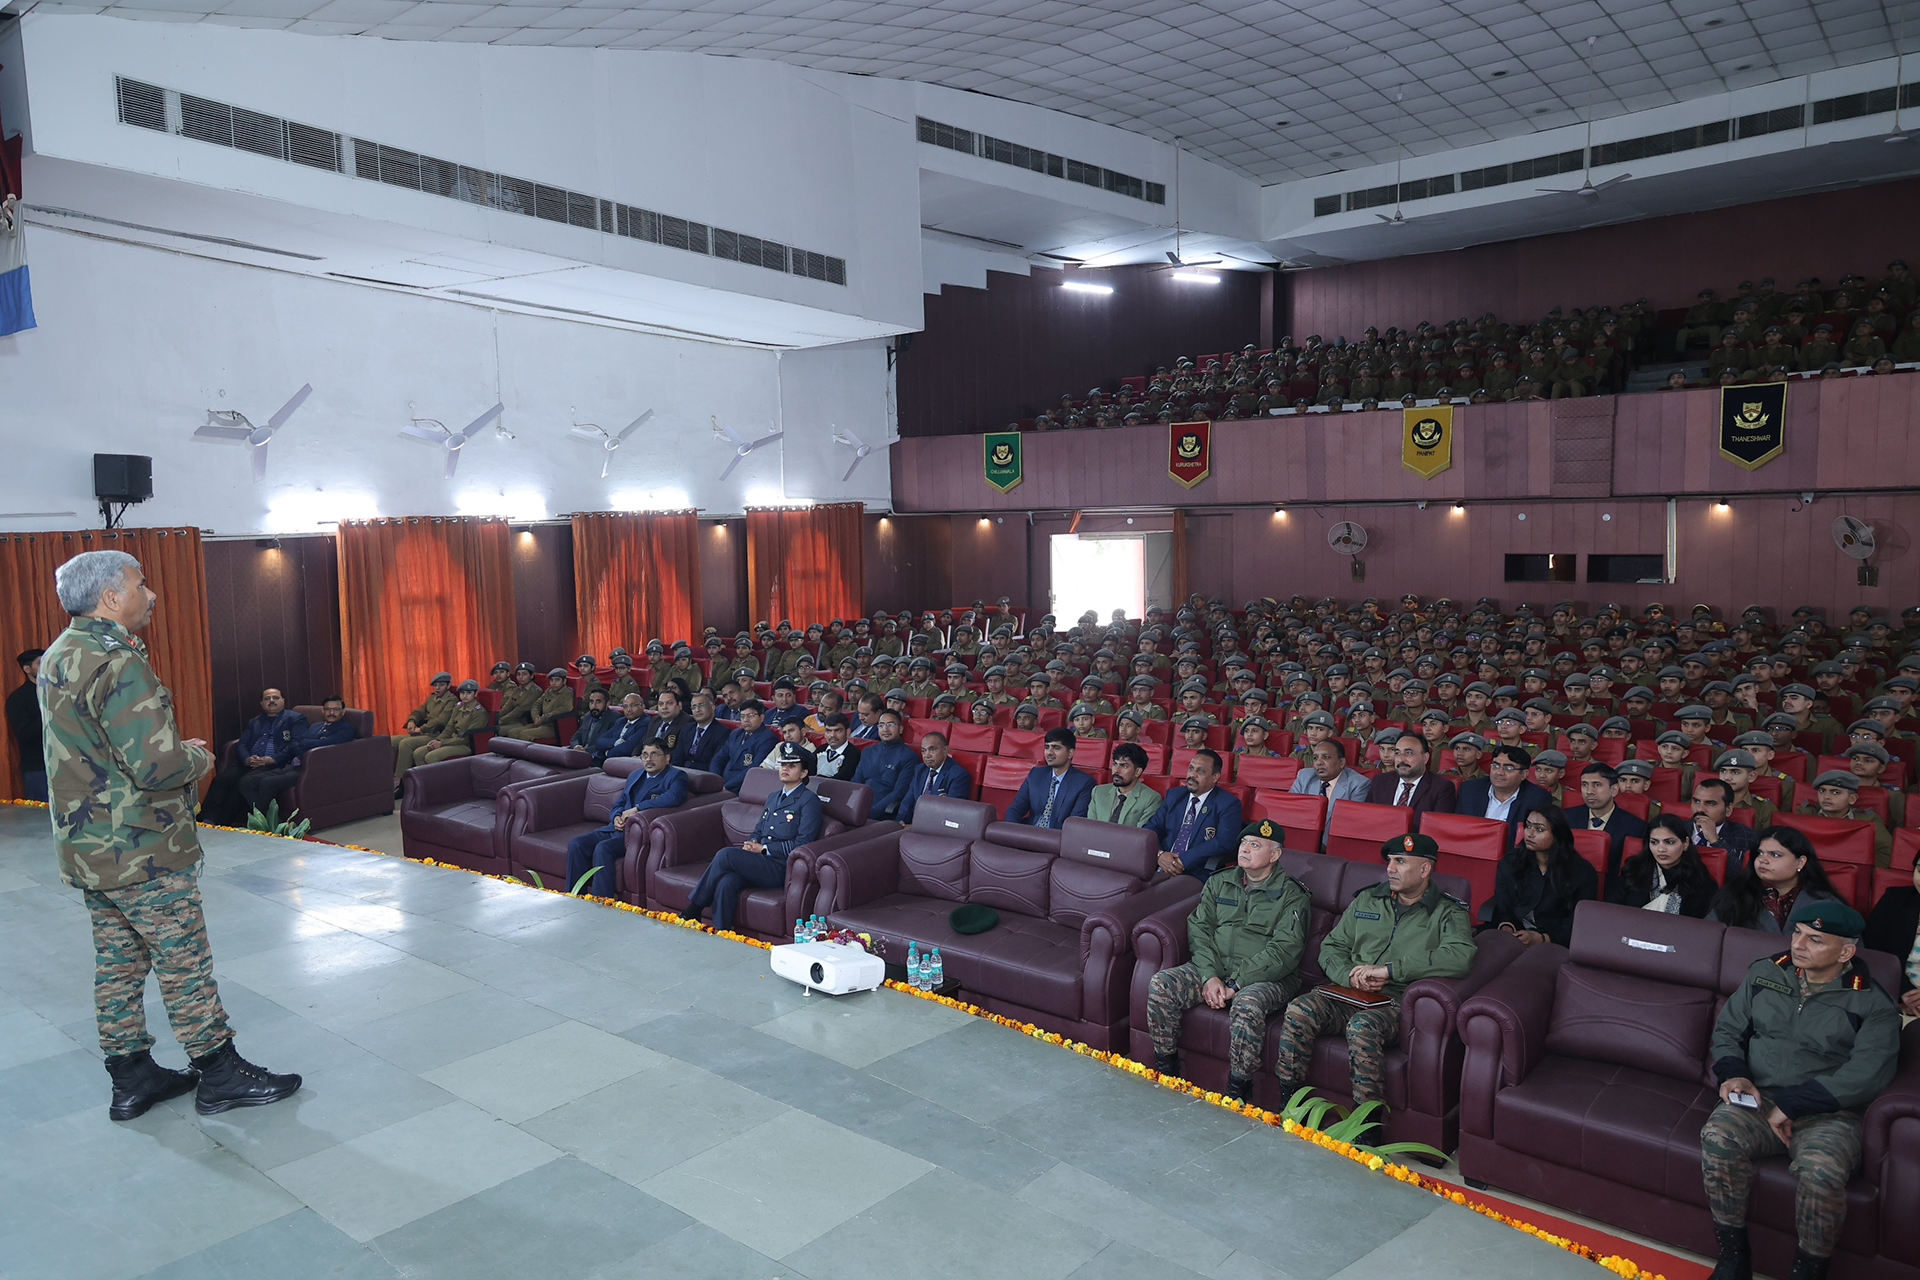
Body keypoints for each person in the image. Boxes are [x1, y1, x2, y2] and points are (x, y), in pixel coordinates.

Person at [39, 549, 299, 1120]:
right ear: (110, 597)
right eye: (140, 583)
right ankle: (219, 1072)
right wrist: (198, 756)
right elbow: (155, 767)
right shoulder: (118, 661)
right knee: (183, 959)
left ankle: (131, 1076)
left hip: (89, 848)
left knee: (118, 962)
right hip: (140, 848)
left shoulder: (60, 653)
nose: (150, 595)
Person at [1700, 900, 1900, 1280]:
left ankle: (1808, 1270)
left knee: (1819, 1171)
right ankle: (1732, 1256)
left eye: (1815, 939)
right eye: (1797, 933)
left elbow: (1869, 1073)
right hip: (1760, 1097)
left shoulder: (1871, 1001)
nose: (1798, 944)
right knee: (1718, 1136)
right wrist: (1734, 1074)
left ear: (1845, 952)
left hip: (1830, 1113)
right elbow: (1728, 1031)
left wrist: (1793, 1103)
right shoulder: (1765, 973)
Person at [1272, 833, 1473, 1105]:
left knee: (1362, 1026)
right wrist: (1350, 976)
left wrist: (1390, 971)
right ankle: (1289, 1103)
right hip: (1347, 993)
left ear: (1425, 869)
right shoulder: (1369, 899)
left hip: (1394, 1003)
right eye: (1389, 861)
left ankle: (1365, 1124)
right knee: (1299, 1009)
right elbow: (1332, 946)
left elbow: (1460, 956)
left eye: (1400, 862)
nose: (1390, 868)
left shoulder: (1447, 911)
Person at [1148, 818, 1311, 1100]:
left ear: (1275, 855)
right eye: (1243, 843)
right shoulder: (1220, 881)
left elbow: (1285, 951)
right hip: (1217, 969)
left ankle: (1238, 1088)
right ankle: (1166, 1070)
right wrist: (1210, 976)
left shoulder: (1292, 896)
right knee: (1162, 984)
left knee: (1248, 1004)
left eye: (1255, 845)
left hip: (1267, 977)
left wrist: (1236, 984)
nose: (1245, 849)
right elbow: (1199, 929)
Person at [680, 741, 821, 930]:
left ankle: (694, 907)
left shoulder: (808, 800)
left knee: (725, 854)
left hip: (780, 867)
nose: (785, 769)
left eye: (792, 766)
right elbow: (760, 828)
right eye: (783, 765)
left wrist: (763, 849)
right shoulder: (773, 796)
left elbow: (804, 842)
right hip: (760, 862)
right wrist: (753, 840)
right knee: (726, 881)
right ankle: (723, 933)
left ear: (804, 773)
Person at [564, 739, 687, 898]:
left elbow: (674, 797)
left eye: (654, 754)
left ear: (667, 758)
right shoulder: (635, 775)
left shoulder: (676, 776)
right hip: (616, 828)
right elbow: (621, 801)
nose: (648, 759)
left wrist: (637, 809)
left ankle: (601, 901)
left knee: (603, 848)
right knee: (576, 844)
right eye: (644, 755)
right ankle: (574, 897)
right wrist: (615, 816)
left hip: (637, 835)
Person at [1484, 805, 1599, 947]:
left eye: (1539, 829)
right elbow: (1503, 904)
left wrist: (1542, 939)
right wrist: (1507, 927)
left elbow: (1580, 923)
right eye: (1528, 826)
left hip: (1555, 943)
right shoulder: (1510, 862)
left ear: (1558, 835)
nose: (1530, 834)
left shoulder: (1582, 872)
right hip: (1516, 936)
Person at [236, 696, 359, 818]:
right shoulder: (316, 726)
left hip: (311, 770)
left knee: (267, 783)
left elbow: (324, 743)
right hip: (293, 765)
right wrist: (311, 742)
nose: (331, 713)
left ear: (343, 711)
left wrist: (307, 742)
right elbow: (295, 743)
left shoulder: (345, 729)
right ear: (323, 711)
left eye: (336, 709)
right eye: (328, 709)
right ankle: (266, 820)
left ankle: (270, 824)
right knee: (246, 782)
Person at [198, 688, 306, 826]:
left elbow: (295, 744)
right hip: (251, 763)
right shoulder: (255, 721)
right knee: (221, 780)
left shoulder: (295, 719)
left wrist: (273, 759)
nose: (271, 701)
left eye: (275, 698)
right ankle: (207, 820)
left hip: (275, 763)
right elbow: (242, 743)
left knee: (241, 784)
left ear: (283, 700)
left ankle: (224, 823)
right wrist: (247, 759)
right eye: (267, 699)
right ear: (261, 703)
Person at [1710, 826, 1845, 933]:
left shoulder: (1828, 905)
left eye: (1775, 855)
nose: (1762, 860)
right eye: (1760, 853)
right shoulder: (1734, 895)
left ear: (1800, 862)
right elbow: (1710, 939)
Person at [1146, 749, 1243, 878]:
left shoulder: (1228, 803)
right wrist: (1159, 854)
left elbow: (1224, 841)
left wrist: (1183, 860)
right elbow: (1151, 829)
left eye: (1200, 771)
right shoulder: (1174, 796)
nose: (1192, 774)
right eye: (1191, 768)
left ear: (1215, 777)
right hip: (1159, 865)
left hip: (1194, 872)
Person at [1608, 813, 1717, 917]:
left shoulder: (1701, 882)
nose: (1661, 849)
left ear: (1686, 843)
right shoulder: (1633, 870)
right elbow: (1611, 910)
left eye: (1669, 842)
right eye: (1654, 842)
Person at [1564, 762, 1648, 885]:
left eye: (1597, 785)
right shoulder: (1565, 818)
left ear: (1614, 790)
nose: (1589, 791)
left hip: (1608, 890)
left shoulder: (1635, 827)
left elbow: (1629, 874)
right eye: (1584, 785)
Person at [1455, 744, 1553, 848]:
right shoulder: (1470, 789)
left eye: (1508, 768)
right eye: (1495, 766)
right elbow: (1458, 828)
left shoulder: (1537, 798)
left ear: (1524, 774)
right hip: (1470, 850)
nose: (1499, 772)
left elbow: (1533, 839)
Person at [1863, 840, 1920, 1017]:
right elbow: (1871, 949)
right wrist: (1905, 992)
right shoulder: (1895, 899)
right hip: (1893, 994)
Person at [1005, 727, 1094, 829]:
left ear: (1070, 753)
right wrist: (1011, 832)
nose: (1049, 752)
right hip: (1029, 833)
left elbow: (1074, 826)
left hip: (1057, 839)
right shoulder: (1036, 774)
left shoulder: (1084, 783)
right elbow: (1015, 809)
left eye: (1056, 748)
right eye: (1047, 747)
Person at [1363, 731, 1458, 815]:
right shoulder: (1380, 781)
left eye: (1408, 753)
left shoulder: (1441, 788)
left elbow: (1436, 828)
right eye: (1397, 753)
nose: (1401, 759)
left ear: (1425, 757)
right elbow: (1368, 817)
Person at [1288, 738, 1371, 829]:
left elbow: (1350, 823)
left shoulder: (1358, 784)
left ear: (1342, 762)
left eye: (1326, 757)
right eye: (1315, 758)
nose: (1319, 762)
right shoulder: (1304, 777)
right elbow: (1291, 811)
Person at [850, 708, 918, 819]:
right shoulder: (868, 751)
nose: (885, 729)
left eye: (890, 724)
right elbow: (856, 782)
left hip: (881, 813)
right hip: (858, 806)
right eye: (881, 725)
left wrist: (870, 813)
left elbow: (899, 793)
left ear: (900, 729)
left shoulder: (909, 756)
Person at [411, 680, 491, 767]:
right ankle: (424, 780)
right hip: (451, 741)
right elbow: (449, 728)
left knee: (431, 757)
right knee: (418, 753)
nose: (465, 696)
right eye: (462, 693)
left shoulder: (479, 712)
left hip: (465, 744)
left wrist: (442, 743)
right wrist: (437, 740)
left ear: (475, 694)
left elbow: (467, 738)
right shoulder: (458, 707)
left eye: (469, 693)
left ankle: (440, 780)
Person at [897, 731, 972, 824]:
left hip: (935, 828)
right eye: (923, 751)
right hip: (911, 825)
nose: (927, 755)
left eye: (932, 750)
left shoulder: (958, 775)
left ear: (945, 750)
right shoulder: (920, 770)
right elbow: (908, 801)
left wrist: (916, 827)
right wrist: (900, 821)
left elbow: (949, 812)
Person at [1693, 777, 1758, 872]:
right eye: (1696, 801)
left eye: (1710, 803)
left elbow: (1742, 875)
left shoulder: (1748, 837)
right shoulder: (1675, 829)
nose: (1700, 809)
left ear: (1728, 810)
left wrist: (1715, 840)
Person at [1089, 743, 1160, 827]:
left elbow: (1140, 836)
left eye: (1124, 766)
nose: (1116, 770)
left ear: (1138, 772)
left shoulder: (1150, 799)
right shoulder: (1098, 792)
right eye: (1115, 764)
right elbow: (1090, 828)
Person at [8, 646, 46, 801]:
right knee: (41, 817)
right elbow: (24, 734)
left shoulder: (59, 691)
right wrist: (48, 714)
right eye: (40, 663)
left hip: (66, 764)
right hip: (37, 767)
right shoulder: (17, 698)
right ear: (27, 668)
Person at [500, 667, 576, 742]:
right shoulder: (549, 691)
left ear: (564, 681)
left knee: (525, 734)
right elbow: (536, 704)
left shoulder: (567, 692)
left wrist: (543, 718)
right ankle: (513, 754)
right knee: (512, 733)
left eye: (557, 680)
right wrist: (535, 717)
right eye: (551, 680)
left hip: (553, 726)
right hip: (540, 723)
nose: (553, 683)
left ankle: (523, 754)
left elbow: (566, 708)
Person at [719, 699, 775, 792]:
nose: (745, 720)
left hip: (741, 787)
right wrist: (715, 779)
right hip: (722, 784)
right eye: (742, 716)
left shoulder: (768, 739)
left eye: (750, 716)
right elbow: (719, 758)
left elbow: (754, 769)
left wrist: (727, 786)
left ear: (761, 717)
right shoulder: (735, 734)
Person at [594, 693, 654, 765]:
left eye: (633, 705)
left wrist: (607, 753)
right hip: (602, 759)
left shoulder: (646, 723)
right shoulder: (621, 721)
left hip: (619, 762)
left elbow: (627, 748)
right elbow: (599, 741)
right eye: (625, 706)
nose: (628, 709)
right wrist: (616, 742)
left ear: (643, 706)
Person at [811, 712, 860, 782]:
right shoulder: (820, 750)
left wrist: (817, 779)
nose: (832, 735)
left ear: (848, 732)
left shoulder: (854, 754)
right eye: (828, 731)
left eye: (838, 731)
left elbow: (842, 780)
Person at [569, 687, 617, 756]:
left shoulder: (614, 718)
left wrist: (585, 750)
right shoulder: (588, 716)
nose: (594, 706)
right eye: (591, 702)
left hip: (597, 755)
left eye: (598, 702)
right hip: (580, 752)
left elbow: (608, 743)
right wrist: (576, 746)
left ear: (607, 703)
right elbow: (575, 737)